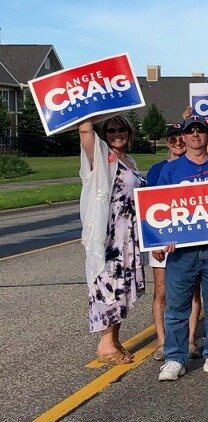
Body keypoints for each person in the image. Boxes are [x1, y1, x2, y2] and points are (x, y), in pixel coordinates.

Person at [154, 116, 208, 381]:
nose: (196, 135)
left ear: (207, 135)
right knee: (177, 307)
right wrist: (160, 239)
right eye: (191, 131)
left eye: (201, 130)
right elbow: (157, 206)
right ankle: (174, 358)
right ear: (184, 136)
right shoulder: (171, 170)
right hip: (182, 251)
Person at [78, 115, 146, 365]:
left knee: (122, 287)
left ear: (129, 132)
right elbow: (86, 133)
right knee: (109, 287)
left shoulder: (129, 160)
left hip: (129, 235)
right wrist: (87, 116)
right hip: (111, 238)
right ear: (104, 135)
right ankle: (105, 345)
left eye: (121, 129)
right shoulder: (102, 157)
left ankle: (114, 340)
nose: (117, 134)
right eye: (110, 130)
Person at [145, 122, 201, 362]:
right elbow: (149, 205)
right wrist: (154, 242)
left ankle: (190, 340)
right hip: (163, 238)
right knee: (162, 291)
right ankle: (162, 341)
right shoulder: (157, 170)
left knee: (193, 292)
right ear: (167, 142)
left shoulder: (197, 166)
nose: (177, 142)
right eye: (172, 139)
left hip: (190, 238)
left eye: (180, 137)